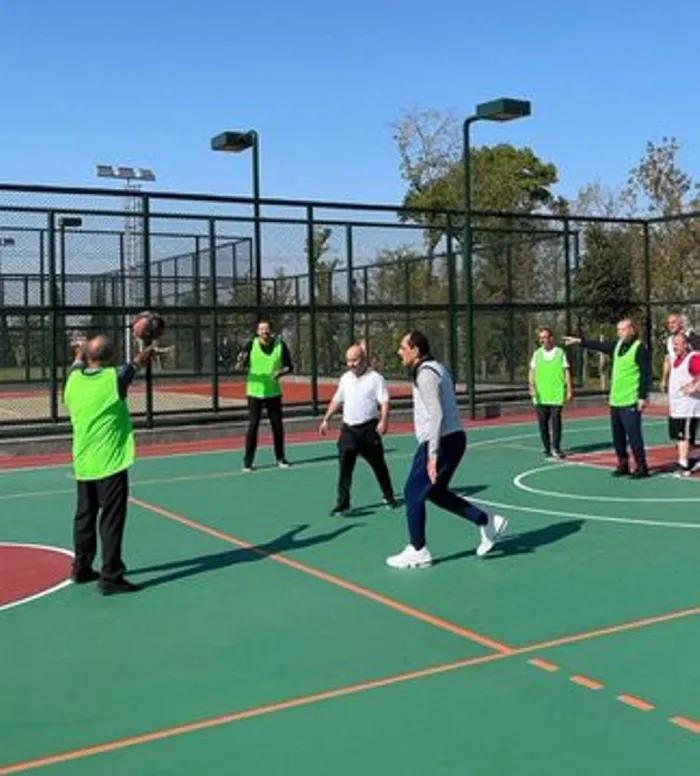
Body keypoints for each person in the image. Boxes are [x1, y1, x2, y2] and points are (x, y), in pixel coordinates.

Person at [386, 331, 508, 569]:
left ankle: (418, 549)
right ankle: (486, 520)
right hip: (451, 439)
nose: (399, 352)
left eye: (403, 347)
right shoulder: (438, 368)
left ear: (416, 350)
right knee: (435, 492)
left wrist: (432, 455)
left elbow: (437, 414)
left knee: (412, 492)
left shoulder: (426, 374)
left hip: (442, 440)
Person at [63, 335, 157, 595]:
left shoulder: (73, 380)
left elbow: (78, 362)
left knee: (84, 517)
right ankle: (111, 576)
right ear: (111, 357)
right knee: (111, 521)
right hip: (110, 463)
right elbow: (135, 364)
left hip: (83, 461)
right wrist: (146, 349)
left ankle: (81, 568)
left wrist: (80, 351)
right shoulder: (113, 379)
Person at [563, 318, 651, 478]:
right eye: (618, 330)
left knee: (634, 436)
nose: (620, 333)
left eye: (623, 329)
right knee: (618, 437)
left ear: (632, 330)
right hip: (616, 400)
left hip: (630, 399)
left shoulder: (639, 348)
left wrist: (642, 397)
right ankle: (623, 463)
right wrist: (580, 341)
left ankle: (641, 466)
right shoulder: (617, 346)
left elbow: (646, 374)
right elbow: (599, 346)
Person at [319, 344, 396, 515]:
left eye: (355, 360)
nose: (351, 364)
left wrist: (384, 420)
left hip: (368, 430)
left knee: (379, 466)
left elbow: (384, 401)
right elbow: (337, 400)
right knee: (345, 468)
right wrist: (326, 419)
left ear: (363, 359)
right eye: (348, 361)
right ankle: (343, 502)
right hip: (348, 431)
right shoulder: (345, 378)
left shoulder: (376, 378)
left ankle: (388, 495)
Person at [235, 318, 293, 471]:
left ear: (271, 331)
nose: (264, 332)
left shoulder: (280, 345)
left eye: (266, 329)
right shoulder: (251, 344)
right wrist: (240, 363)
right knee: (253, 426)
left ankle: (281, 458)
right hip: (255, 393)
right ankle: (248, 462)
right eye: (261, 329)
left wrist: (279, 373)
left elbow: (289, 367)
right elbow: (240, 366)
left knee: (277, 427)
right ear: (257, 331)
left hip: (273, 393)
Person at [528, 326, 573, 459]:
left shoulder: (560, 353)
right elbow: (532, 372)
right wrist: (531, 387)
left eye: (545, 337)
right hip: (540, 395)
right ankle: (547, 447)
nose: (542, 340)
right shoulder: (537, 354)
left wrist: (569, 389)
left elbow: (566, 372)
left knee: (556, 422)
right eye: (540, 338)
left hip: (556, 394)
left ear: (551, 338)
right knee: (543, 424)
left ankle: (556, 447)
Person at [666, 332, 700, 476]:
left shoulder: (692, 359)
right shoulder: (675, 359)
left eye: (678, 344)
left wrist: (694, 387)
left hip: (688, 407)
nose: (675, 347)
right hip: (676, 406)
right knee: (680, 437)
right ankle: (691, 458)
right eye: (674, 344)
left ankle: (683, 464)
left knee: (683, 437)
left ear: (686, 344)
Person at [660, 313, 700, 393]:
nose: (670, 325)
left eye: (673, 322)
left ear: (681, 323)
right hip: (675, 385)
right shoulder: (669, 340)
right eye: (669, 323)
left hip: (691, 385)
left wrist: (695, 385)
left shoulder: (693, 339)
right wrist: (664, 380)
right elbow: (667, 360)